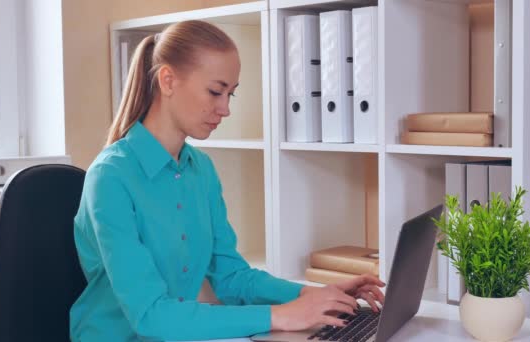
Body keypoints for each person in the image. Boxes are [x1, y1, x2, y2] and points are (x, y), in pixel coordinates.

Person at [70, 20, 385, 341]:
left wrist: (312, 295)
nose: (225, 109)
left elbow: (231, 277)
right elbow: (151, 316)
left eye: (230, 94)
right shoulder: (110, 177)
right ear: (167, 80)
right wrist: (280, 316)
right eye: (215, 91)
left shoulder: (201, 169)